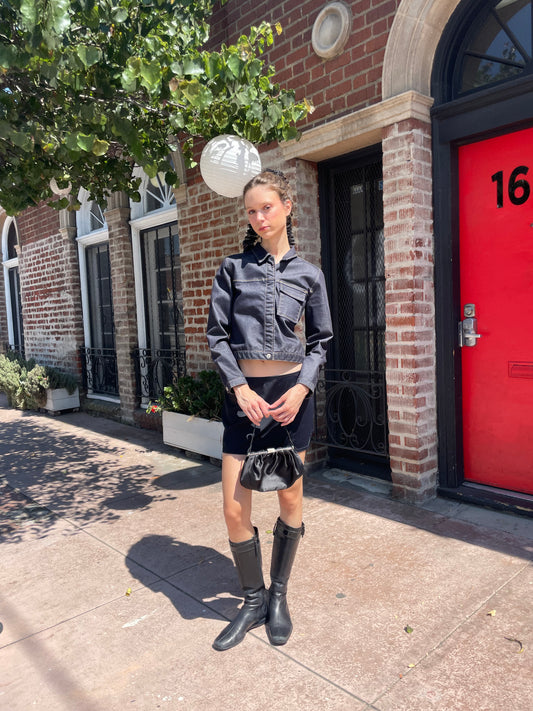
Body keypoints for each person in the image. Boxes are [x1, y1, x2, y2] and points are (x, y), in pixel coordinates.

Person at [206, 169, 333, 651]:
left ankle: (278, 597)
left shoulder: (309, 274)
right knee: (234, 508)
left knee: (290, 500)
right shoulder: (232, 268)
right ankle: (252, 599)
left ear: (287, 206)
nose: (259, 218)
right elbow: (217, 337)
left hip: (288, 398)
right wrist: (238, 387)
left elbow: (320, 341)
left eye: (267, 207)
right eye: (251, 211)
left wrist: (302, 389)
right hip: (244, 400)